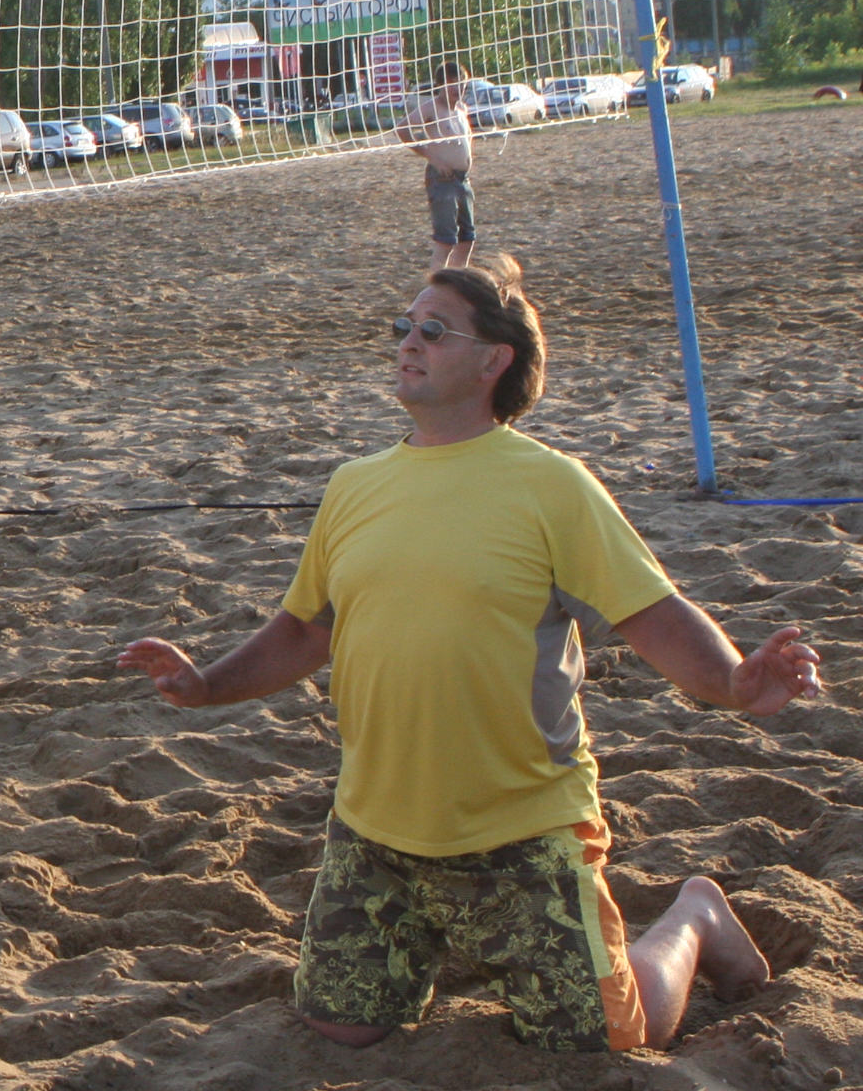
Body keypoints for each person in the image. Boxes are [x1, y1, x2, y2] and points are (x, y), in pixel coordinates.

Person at [119, 258, 819, 1055]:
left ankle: (695, 916)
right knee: (342, 1024)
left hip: (521, 830)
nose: (408, 342)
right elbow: (307, 630)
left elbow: (653, 615)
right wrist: (206, 684)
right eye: (404, 327)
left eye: (433, 330)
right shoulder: (353, 485)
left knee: (602, 1039)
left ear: (494, 361)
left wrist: (733, 680)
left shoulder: (551, 484)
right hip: (376, 829)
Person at [395, 61, 475, 269]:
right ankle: (436, 284)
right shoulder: (431, 107)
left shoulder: (461, 108)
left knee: (467, 238)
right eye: (453, 83)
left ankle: (458, 282)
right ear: (441, 84)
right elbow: (402, 129)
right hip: (442, 179)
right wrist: (433, 157)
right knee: (446, 240)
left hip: (462, 179)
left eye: (462, 83)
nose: (458, 88)